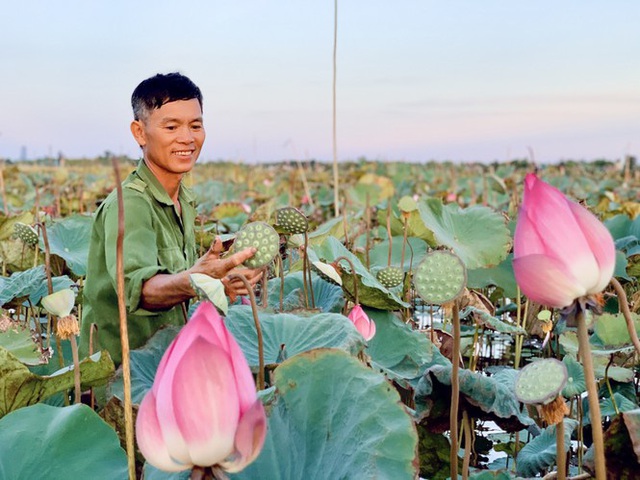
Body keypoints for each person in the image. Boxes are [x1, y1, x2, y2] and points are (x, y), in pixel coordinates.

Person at [79, 72, 262, 366]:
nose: (187, 138)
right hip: (124, 379)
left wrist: (220, 283)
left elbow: (176, 281)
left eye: (195, 125)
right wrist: (198, 280)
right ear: (139, 132)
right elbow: (141, 291)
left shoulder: (183, 198)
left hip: (170, 365)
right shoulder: (132, 204)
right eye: (171, 126)